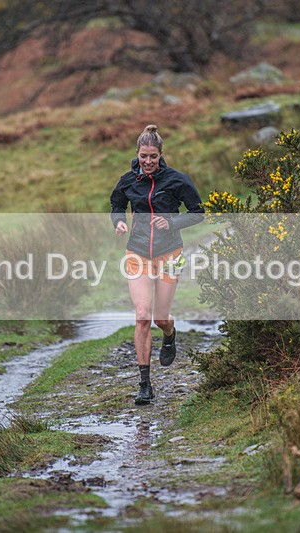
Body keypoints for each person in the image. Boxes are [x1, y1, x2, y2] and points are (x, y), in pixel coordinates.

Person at [110, 124, 204, 405]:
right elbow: (116, 204)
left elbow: (198, 213)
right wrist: (119, 221)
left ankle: (170, 333)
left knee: (161, 318)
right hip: (137, 252)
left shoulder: (177, 180)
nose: (148, 161)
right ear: (137, 154)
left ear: (161, 154)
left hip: (169, 254)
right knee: (142, 316)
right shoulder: (128, 180)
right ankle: (144, 384)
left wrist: (172, 221)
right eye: (143, 156)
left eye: (153, 156)